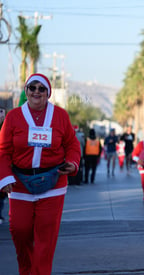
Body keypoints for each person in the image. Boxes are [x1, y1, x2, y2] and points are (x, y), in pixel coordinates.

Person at [0, 73, 81, 274]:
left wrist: (72, 163)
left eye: (41, 88)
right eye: (32, 87)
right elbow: (2, 150)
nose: (36, 91)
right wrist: (4, 176)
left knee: (46, 236)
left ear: (48, 93)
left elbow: (72, 144)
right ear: (26, 91)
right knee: (20, 230)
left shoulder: (61, 115)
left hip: (53, 182)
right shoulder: (13, 117)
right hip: (20, 182)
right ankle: (26, 269)